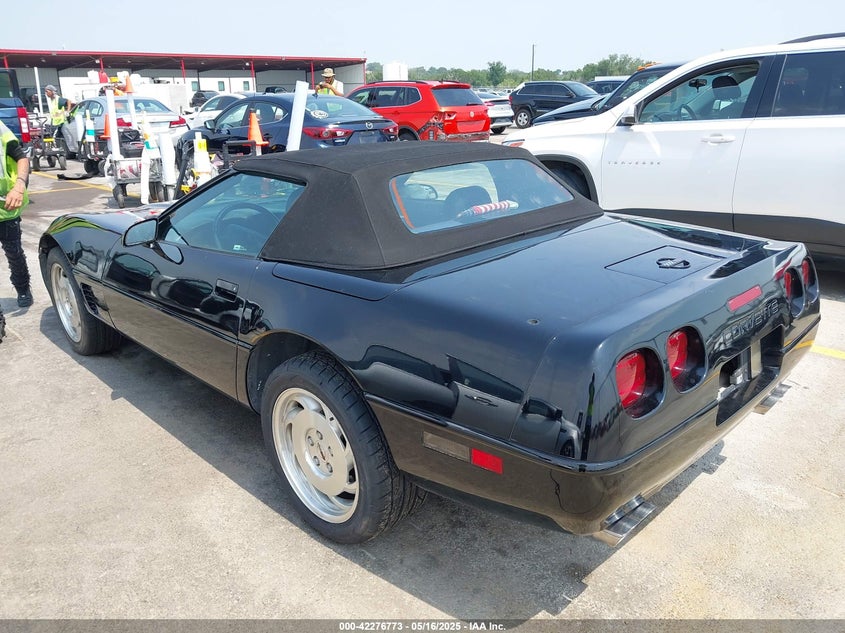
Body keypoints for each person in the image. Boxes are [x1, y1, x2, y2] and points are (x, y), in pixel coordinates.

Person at [0, 120, 33, 307]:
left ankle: (22, 288)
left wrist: (19, 185)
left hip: (5, 207)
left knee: (14, 253)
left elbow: (21, 157)